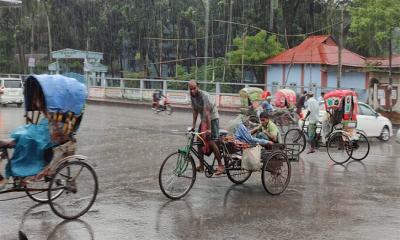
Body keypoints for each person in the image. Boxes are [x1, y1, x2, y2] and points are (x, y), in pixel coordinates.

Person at [188, 80, 224, 175]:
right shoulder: (192, 96)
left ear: (198, 86)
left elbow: (208, 113)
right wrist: (193, 126)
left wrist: (209, 129)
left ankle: (220, 166)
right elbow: (195, 111)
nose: (192, 91)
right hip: (204, 119)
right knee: (199, 141)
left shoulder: (204, 96)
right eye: (190, 89)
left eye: (194, 88)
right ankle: (201, 165)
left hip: (212, 118)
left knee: (211, 141)